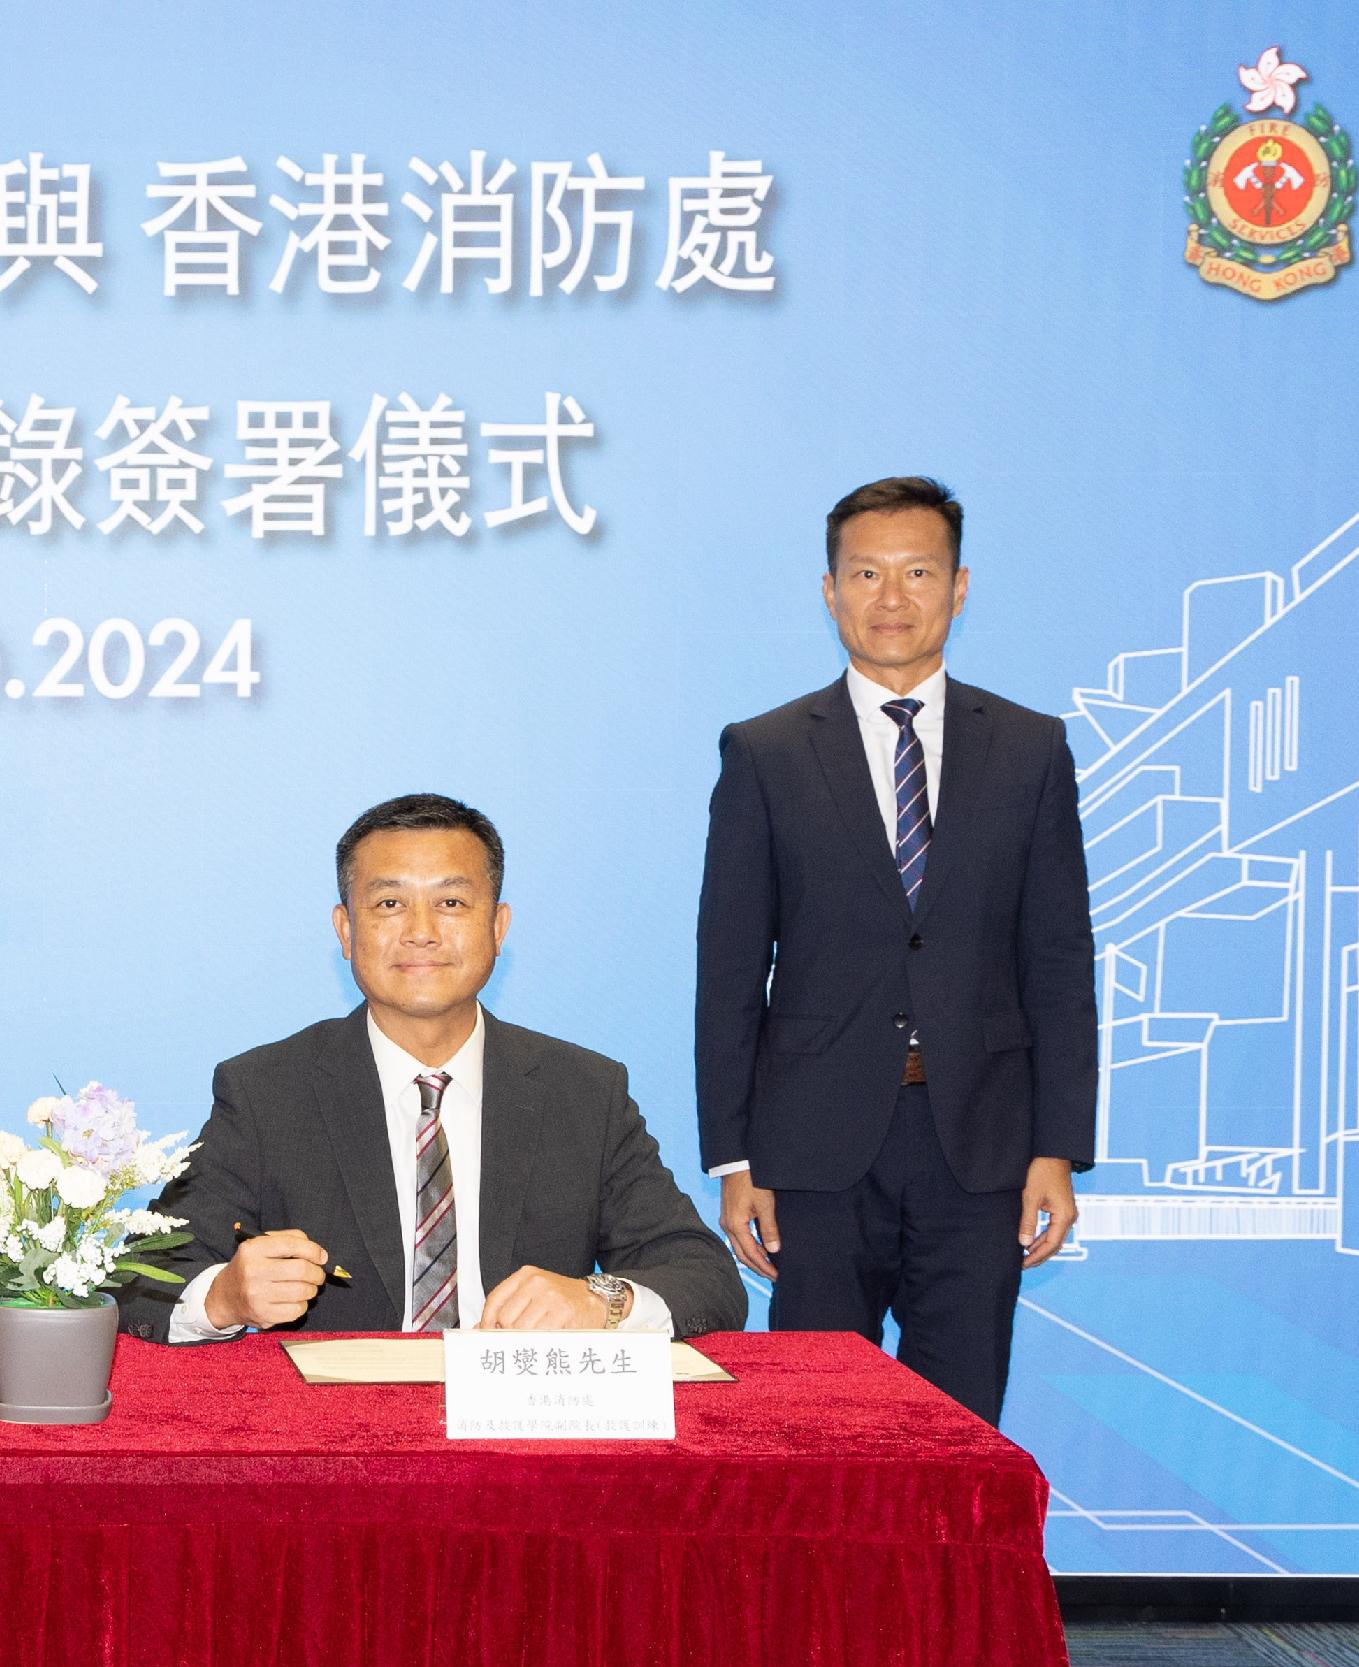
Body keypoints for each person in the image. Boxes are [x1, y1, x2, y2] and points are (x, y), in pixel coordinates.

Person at [694, 476, 1098, 1424]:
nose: (891, 597)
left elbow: (1058, 958)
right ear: (829, 590)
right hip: (815, 1146)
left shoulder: (1032, 749)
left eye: (918, 571)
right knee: (815, 1422)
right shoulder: (767, 751)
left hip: (981, 1142)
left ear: (959, 588)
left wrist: (1057, 1148)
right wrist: (735, 1157)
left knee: (959, 1415)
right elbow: (728, 967)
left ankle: (950, 1580)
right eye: (865, 572)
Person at [127, 793, 748, 1344]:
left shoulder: (581, 1091)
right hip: (338, 1439)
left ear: (497, 927)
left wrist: (598, 1301)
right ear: (345, 931)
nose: (421, 932)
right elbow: (138, 1281)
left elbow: (706, 1277)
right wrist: (224, 1296)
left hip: (521, 1437)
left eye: (451, 901)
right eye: (390, 903)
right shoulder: (269, 1091)